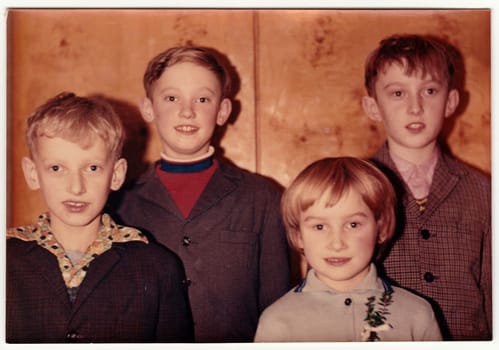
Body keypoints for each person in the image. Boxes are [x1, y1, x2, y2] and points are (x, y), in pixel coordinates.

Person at [113, 46, 290, 342]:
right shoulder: (120, 202)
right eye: (171, 98)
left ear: (222, 111)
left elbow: (279, 312)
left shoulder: (262, 197)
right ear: (148, 108)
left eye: (203, 99)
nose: (187, 111)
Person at [6, 92, 194, 343]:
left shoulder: (157, 267)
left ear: (116, 175)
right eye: (56, 168)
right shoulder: (7, 258)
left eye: (92, 168)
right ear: (32, 173)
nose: (76, 187)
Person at [361, 34, 491, 340]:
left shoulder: (484, 191)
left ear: (451, 102)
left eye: (429, 91)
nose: (415, 107)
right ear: (372, 106)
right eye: (397, 94)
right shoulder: (355, 187)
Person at [254, 157, 442, 342]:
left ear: (381, 229)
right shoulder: (277, 323)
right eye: (320, 227)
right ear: (298, 236)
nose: (337, 244)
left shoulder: (417, 315)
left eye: (353, 224)